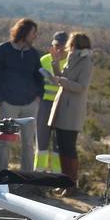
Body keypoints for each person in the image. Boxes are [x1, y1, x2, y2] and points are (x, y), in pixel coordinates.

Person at [0, 17, 42, 171]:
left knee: (28, 143)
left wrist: (38, 97)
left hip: (29, 105)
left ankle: (27, 178)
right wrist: (0, 100)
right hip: (8, 104)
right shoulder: (3, 50)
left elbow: (39, 77)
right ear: (23, 33)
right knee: (4, 141)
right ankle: (1, 175)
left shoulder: (33, 54)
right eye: (33, 33)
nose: (35, 36)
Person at [46, 32, 94, 194]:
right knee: (62, 147)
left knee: (69, 148)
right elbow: (62, 77)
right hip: (62, 108)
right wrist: (54, 62)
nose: (68, 46)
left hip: (72, 111)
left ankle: (72, 184)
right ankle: (64, 183)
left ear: (75, 45)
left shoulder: (85, 62)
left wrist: (61, 81)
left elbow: (81, 87)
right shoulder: (72, 58)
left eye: (70, 43)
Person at [34, 31, 68, 172]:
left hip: (62, 106)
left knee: (58, 143)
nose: (58, 49)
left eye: (62, 46)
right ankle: (38, 173)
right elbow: (35, 81)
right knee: (41, 140)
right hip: (44, 104)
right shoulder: (44, 60)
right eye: (56, 45)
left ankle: (56, 175)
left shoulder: (70, 62)